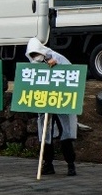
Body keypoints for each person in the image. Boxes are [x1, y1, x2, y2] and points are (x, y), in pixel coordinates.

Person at [25, 38, 78, 176]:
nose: (34, 57)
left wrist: (57, 65)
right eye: (32, 55)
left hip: (60, 102)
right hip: (45, 103)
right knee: (45, 135)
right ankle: (48, 164)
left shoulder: (56, 57)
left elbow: (72, 73)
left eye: (36, 53)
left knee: (65, 133)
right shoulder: (34, 65)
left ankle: (71, 164)